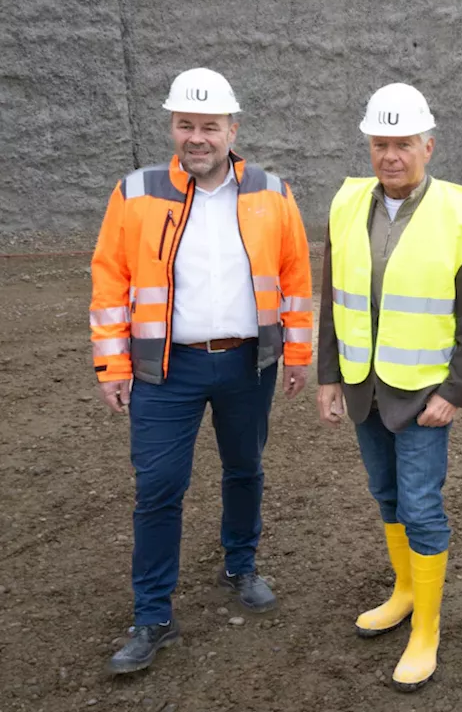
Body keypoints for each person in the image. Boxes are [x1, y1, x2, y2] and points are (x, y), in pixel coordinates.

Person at [91, 68, 313, 674]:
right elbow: (110, 280)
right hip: (165, 369)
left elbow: (294, 277)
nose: (197, 137)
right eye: (186, 125)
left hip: (248, 363)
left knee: (245, 469)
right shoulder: (135, 192)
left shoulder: (271, 190)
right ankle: (152, 613)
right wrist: (112, 363)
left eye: (209, 126)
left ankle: (240, 564)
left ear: (231, 129)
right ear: (172, 126)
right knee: (158, 486)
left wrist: (296, 354)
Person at [316, 83, 462, 691]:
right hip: (364, 383)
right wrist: (329, 375)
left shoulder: (460, 212)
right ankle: (403, 592)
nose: (390, 155)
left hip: (423, 394)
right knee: (386, 494)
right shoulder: (346, 206)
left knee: (421, 505)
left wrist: (457, 390)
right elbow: (331, 300)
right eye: (380, 143)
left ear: (429, 146)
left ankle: (427, 628)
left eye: (403, 144)